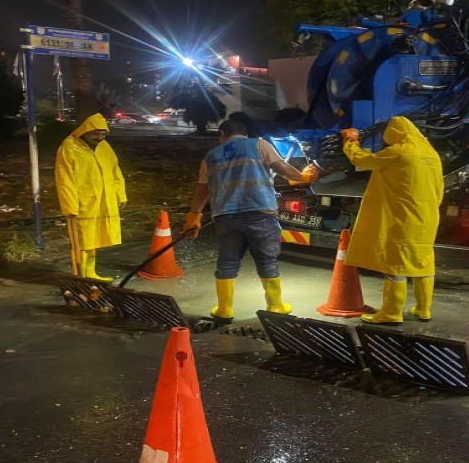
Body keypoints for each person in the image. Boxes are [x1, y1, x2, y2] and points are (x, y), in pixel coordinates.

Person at [184, 119, 316, 320]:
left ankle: (224, 309)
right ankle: (275, 306)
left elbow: (202, 190)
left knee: (227, 262)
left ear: (222, 134)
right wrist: (302, 177)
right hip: (259, 212)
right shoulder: (259, 144)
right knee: (266, 260)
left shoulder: (210, 157)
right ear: (244, 133)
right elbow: (281, 168)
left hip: (225, 216)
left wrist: (195, 215)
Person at [340, 116, 444, 324]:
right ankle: (423, 309)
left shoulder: (399, 151)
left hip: (404, 218)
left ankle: (391, 312)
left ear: (395, 132)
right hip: (428, 216)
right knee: (422, 262)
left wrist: (350, 141)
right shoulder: (431, 154)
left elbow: (362, 160)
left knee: (396, 265)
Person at [55, 113, 127, 282]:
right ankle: (80, 277)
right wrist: (69, 206)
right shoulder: (69, 147)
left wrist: (120, 194)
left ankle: (90, 273)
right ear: (86, 130)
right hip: (82, 202)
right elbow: (64, 179)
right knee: (81, 241)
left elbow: (115, 171)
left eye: (103, 134)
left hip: (103, 200)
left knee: (93, 238)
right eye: (96, 133)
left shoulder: (105, 147)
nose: (99, 137)